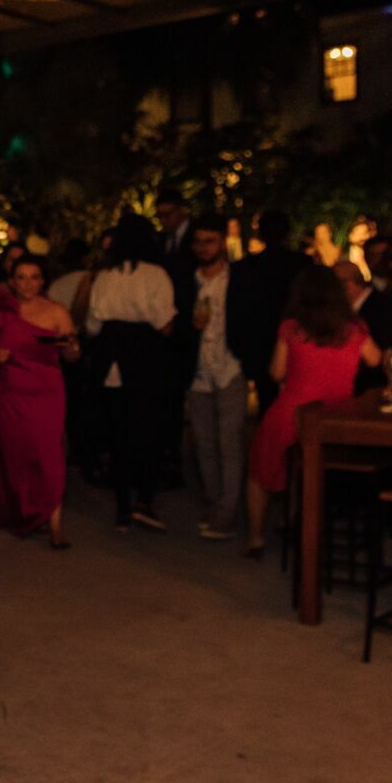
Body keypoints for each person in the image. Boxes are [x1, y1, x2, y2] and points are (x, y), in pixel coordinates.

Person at [243, 265, 380, 557]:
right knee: (310, 470)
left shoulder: (291, 328)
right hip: (338, 417)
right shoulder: (354, 329)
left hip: (293, 414)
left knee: (259, 472)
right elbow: (375, 359)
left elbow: (276, 372)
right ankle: (300, 526)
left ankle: (255, 538)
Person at [0, 255, 77, 546]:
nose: (28, 283)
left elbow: (74, 355)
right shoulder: (0, 312)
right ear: (12, 281)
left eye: (34, 277)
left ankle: (55, 523)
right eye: (22, 277)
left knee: (49, 456)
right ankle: (22, 510)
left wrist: (69, 346)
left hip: (47, 394)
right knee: (16, 455)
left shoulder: (57, 312)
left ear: (42, 281)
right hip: (11, 394)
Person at [84, 214, 177, 532]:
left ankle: (122, 508)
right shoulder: (156, 275)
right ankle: (144, 501)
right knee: (150, 430)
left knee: (118, 433)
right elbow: (164, 324)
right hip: (146, 357)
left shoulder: (106, 276)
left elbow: (93, 325)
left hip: (111, 359)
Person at [178, 217, 266, 542]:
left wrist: (248, 361)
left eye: (209, 241)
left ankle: (227, 512)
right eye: (198, 241)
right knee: (204, 442)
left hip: (230, 367)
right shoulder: (188, 281)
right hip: (198, 370)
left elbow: (254, 319)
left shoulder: (239, 279)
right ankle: (216, 503)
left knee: (229, 441)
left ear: (221, 243)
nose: (203, 247)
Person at [335, 260, 392, 390]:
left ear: (349, 284)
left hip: (378, 388)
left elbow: (385, 355)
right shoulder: (363, 308)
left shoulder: (382, 307)